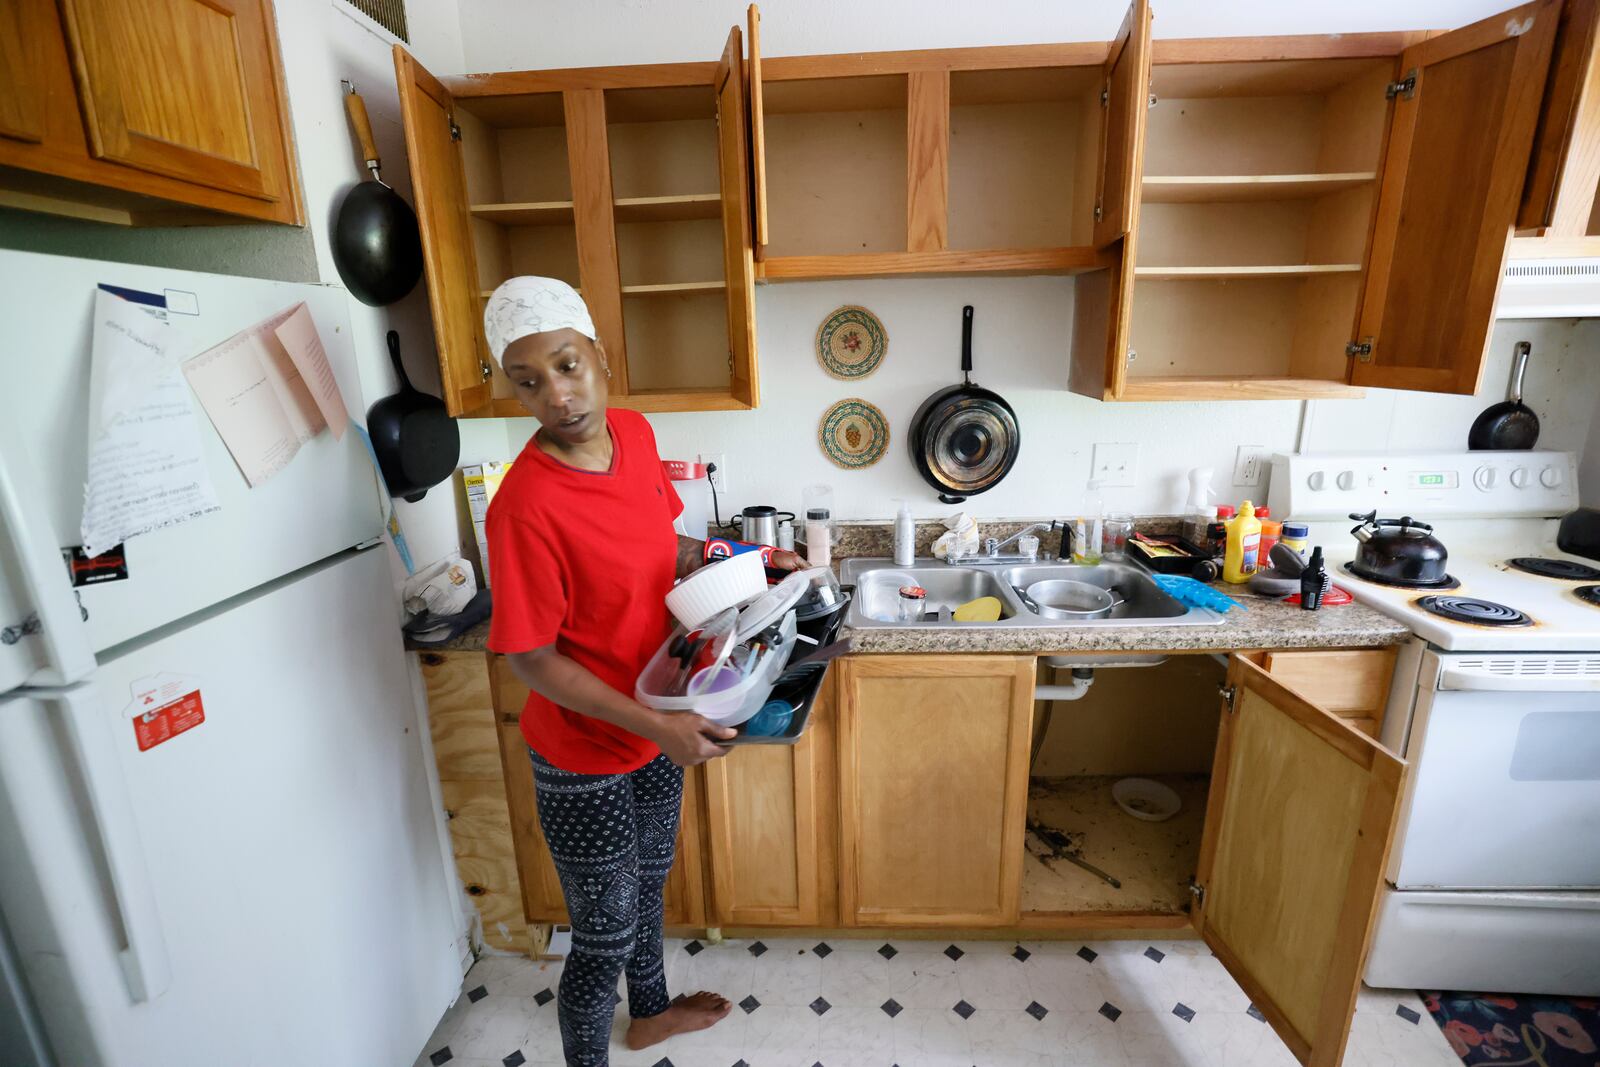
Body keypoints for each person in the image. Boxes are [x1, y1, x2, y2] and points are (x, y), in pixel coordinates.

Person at [480, 276, 803, 1067]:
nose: (556, 396)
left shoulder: (633, 431)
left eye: (566, 365)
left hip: (658, 715)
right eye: (529, 381)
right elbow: (531, 657)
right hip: (585, 748)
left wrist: (751, 562)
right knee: (601, 934)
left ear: (601, 355)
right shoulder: (523, 505)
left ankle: (651, 1014)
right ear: (514, 392)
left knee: (649, 884)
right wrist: (656, 724)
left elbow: (669, 551)